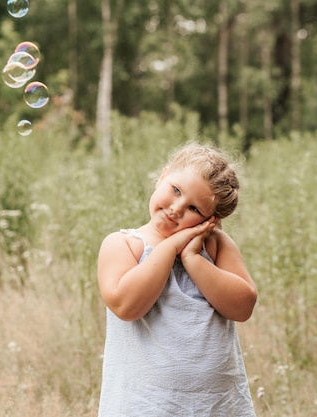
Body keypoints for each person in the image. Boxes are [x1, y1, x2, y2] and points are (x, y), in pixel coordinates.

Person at [97, 142, 258, 416]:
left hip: (215, 404)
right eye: (175, 190)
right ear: (163, 176)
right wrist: (171, 247)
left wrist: (193, 259)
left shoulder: (216, 246)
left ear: (211, 221)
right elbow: (126, 306)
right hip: (145, 403)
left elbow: (243, 307)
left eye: (194, 208)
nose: (176, 208)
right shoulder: (123, 244)